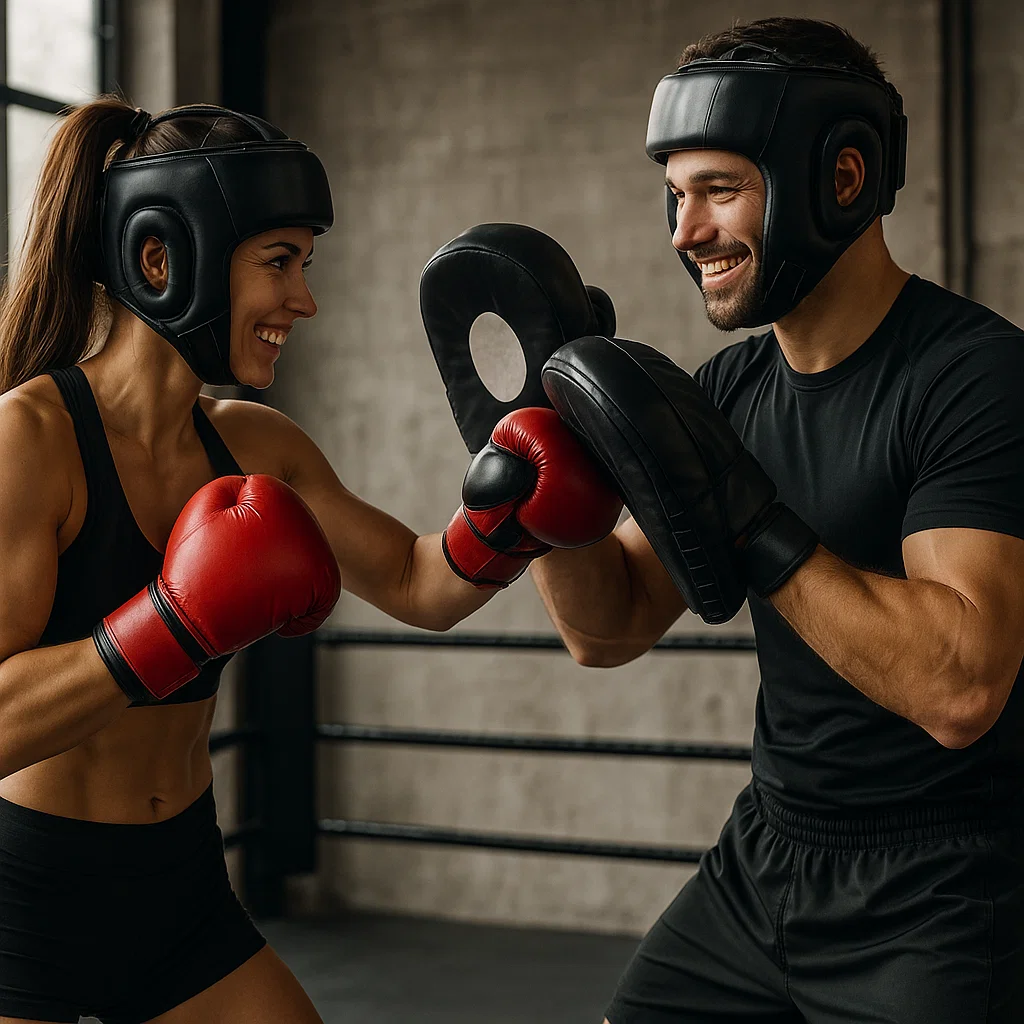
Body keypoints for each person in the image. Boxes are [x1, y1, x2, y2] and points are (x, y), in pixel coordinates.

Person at [439, 17, 1024, 1024]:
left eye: (717, 190)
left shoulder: (971, 376)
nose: (682, 231)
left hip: (940, 882)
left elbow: (959, 685)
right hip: (766, 858)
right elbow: (609, 628)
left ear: (839, 177)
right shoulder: (727, 390)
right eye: (674, 194)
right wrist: (542, 490)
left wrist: (756, 522)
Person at [0, 99, 622, 1023]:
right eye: (279, 262)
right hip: (30, 899)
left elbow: (420, 584)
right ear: (163, 258)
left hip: (180, 890)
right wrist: (168, 624)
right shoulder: (31, 439)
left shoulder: (255, 444)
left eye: (305, 264)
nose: (304, 299)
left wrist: (510, 521)